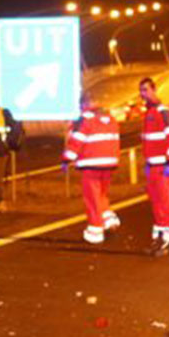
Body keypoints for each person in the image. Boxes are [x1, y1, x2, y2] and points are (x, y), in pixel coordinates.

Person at [63, 92, 121, 243]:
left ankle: (95, 230)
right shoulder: (110, 119)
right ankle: (108, 218)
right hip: (109, 163)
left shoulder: (85, 120)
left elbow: (77, 141)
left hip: (92, 164)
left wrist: (66, 159)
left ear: (83, 105)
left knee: (92, 198)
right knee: (101, 194)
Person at [138, 77, 169, 255]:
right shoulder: (149, 113)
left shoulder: (164, 111)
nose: (143, 94)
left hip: (164, 165)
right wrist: (147, 162)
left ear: (154, 90)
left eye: (146, 90)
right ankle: (161, 236)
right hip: (153, 165)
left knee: (167, 201)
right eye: (141, 90)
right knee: (157, 202)